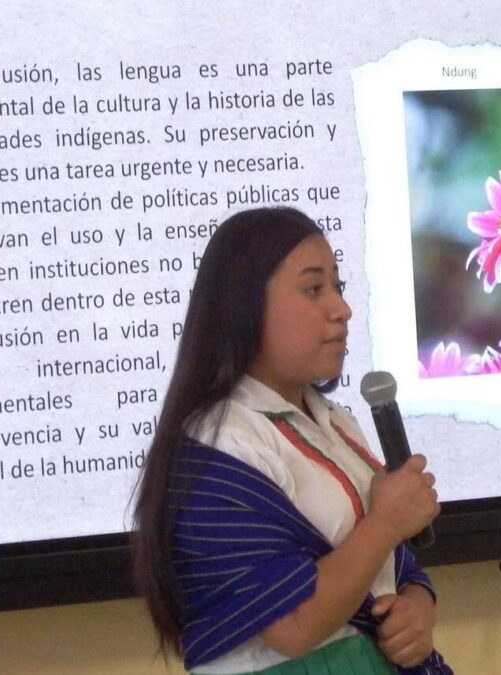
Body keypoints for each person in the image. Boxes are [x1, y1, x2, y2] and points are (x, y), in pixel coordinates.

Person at [133, 206, 451, 674]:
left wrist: (417, 604)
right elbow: (293, 625)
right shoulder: (215, 447)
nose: (341, 308)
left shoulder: (335, 421)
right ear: (246, 306)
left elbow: (385, 564)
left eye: (338, 288)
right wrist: (386, 522)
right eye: (313, 288)